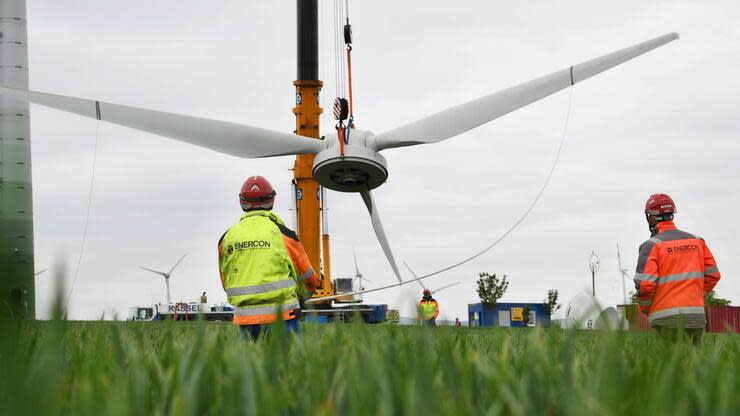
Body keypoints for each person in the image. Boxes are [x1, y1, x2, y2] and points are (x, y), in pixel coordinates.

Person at [218, 176, 320, 340]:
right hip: (284, 317)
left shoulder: (226, 238)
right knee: (291, 363)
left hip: (246, 321)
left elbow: (226, 281)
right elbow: (307, 277)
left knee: (251, 365)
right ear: (271, 200)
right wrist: (304, 297)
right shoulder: (283, 234)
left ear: (242, 201)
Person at [633, 193, 721, 344]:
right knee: (694, 364)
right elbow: (714, 275)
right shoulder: (697, 242)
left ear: (651, 217)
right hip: (696, 318)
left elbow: (645, 285)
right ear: (672, 214)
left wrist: (647, 309)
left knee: (670, 366)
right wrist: (694, 297)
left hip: (666, 320)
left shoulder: (651, 246)